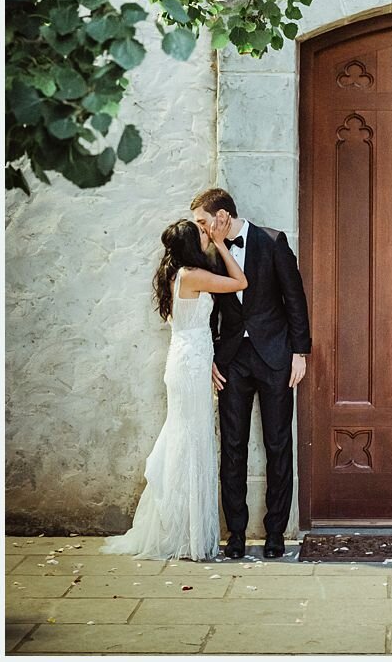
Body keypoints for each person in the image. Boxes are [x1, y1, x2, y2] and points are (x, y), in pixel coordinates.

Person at [104, 219, 247, 561]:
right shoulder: (192, 275)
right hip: (189, 363)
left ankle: (183, 528)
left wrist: (208, 358)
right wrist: (222, 243)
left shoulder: (175, 275)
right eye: (201, 233)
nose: (206, 235)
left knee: (186, 437)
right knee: (190, 439)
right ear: (190, 243)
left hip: (188, 359)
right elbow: (240, 281)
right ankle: (185, 533)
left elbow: (190, 327)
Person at [191, 187, 311, 560]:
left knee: (278, 445)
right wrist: (209, 354)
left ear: (222, 216)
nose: (200, 229)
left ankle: (275, 531)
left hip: (275, 356)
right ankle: (237, 533)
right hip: (231, 361)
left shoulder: (273, 241)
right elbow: (207, 310)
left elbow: (295, 298)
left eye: (202, 221)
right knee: (233, 446)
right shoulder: (209, 253)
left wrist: (300, 352)